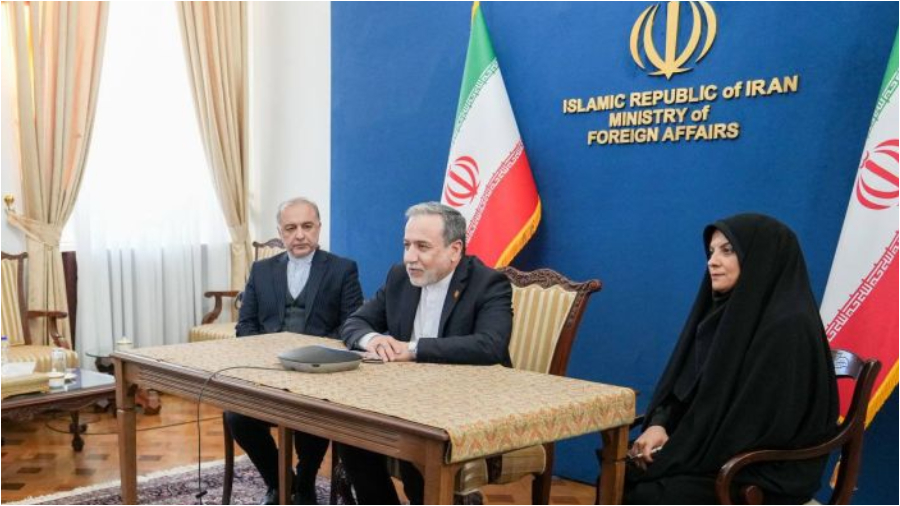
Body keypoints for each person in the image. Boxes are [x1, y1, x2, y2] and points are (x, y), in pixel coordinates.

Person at [625, 213, 839, 504]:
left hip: (761, 468)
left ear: (761, 257)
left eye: (727, 251)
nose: (712, 262)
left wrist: (677, 451)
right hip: (713, 448)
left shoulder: (789, 327)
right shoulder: (724, 315)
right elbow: (686, 387)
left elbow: (760, 425)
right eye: (711, 251)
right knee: (625, 469)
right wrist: (658, 425)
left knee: (648, 494)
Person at [339, 202, 513, 504]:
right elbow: (354, 323)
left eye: (422, 247)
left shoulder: (487, 283)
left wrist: (412, 349)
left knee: (412, 433)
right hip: (407, 397)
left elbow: (490, 344)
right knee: (351, 428)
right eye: (406, 245)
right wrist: (373, 339)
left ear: (454, 250)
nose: (410, 257)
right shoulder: (399, 277)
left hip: (468, 400)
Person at [226, 197, 364, 505]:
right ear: (280, 232)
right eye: (290, 228)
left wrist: (317, 359)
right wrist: (265, 357)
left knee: (310, 414)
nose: (299, 235)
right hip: (268, 374)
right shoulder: (261, 270)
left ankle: (306, 481)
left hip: (319, 376)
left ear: (319, 228)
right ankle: (280, 482)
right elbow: (245, 325)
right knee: (236, 416)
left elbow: (352, 327)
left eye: (307, 226)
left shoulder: (342, 269)